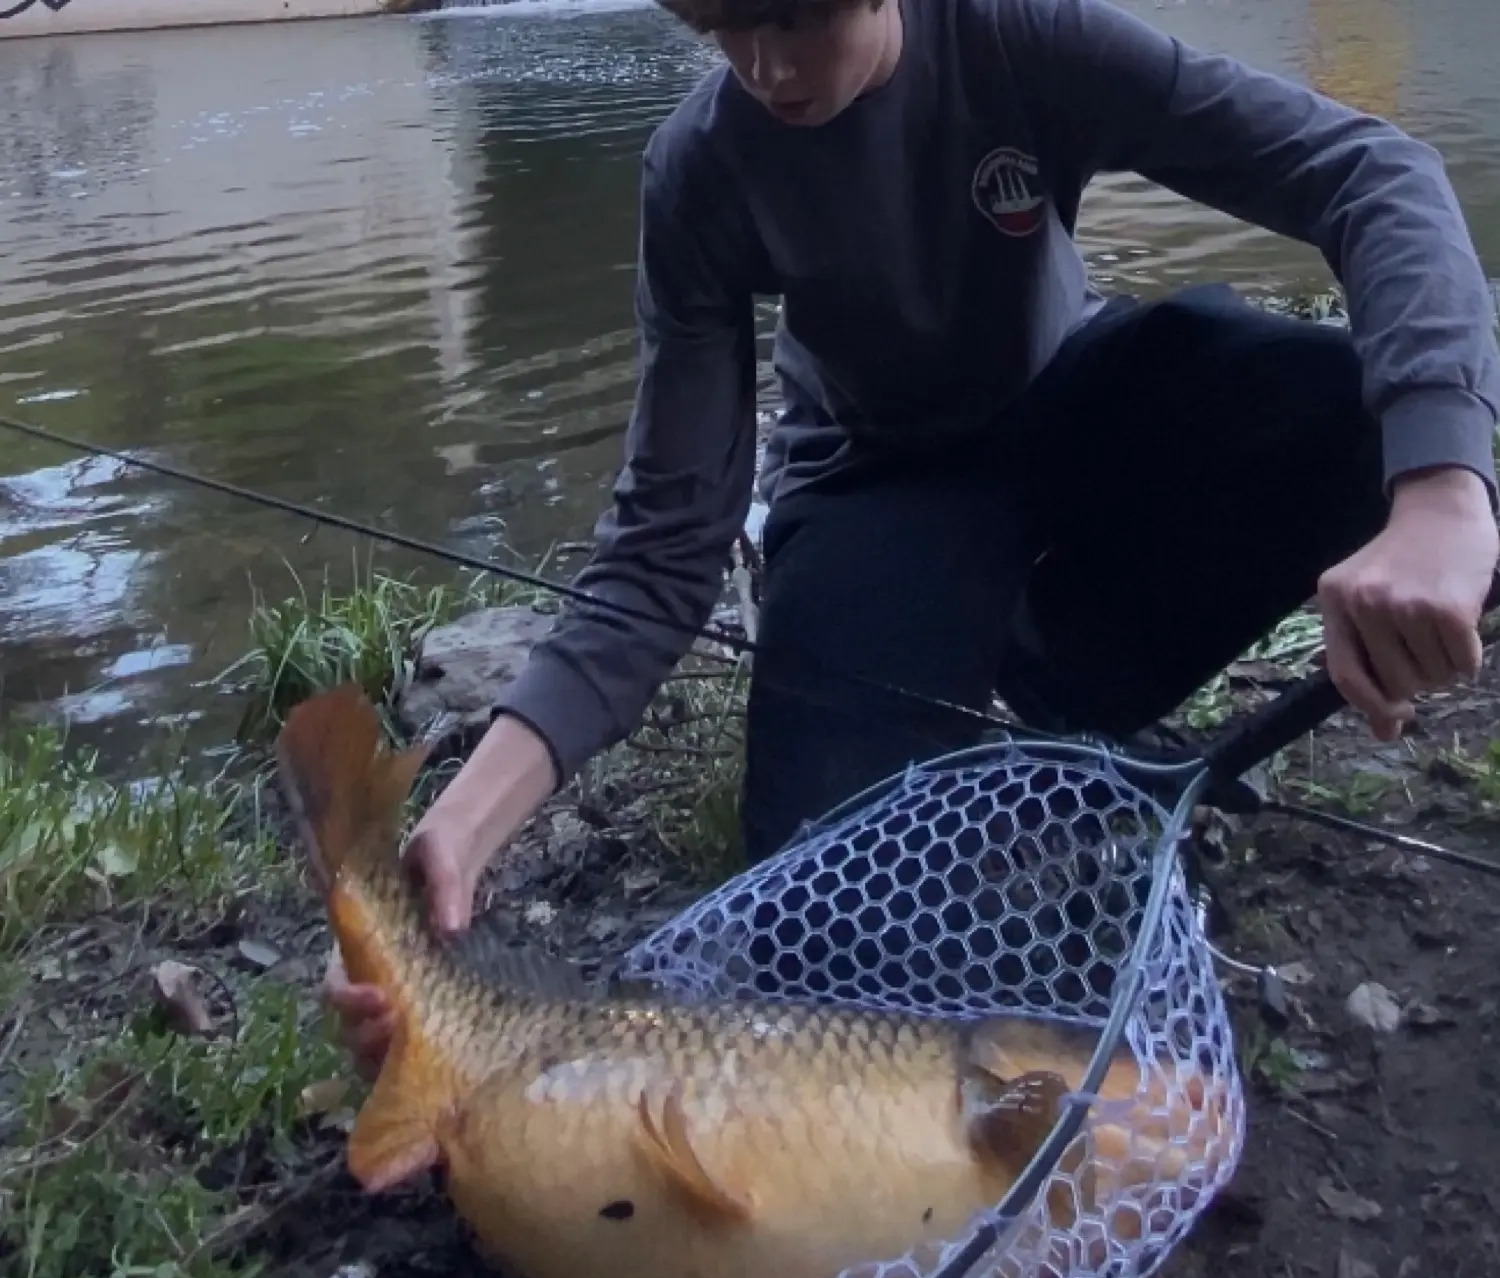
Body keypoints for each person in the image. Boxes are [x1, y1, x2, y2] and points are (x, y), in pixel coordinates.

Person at [326, 0, 1500, 1080]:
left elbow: (1370, 173)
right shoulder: (701, 171)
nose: (768, 67)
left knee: (1386, 410)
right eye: (727, 27)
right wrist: (464, 830)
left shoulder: (1023, 36)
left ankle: (1065, 665)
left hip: (1074, 396)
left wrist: (1443, 492)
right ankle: (998, 656)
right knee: (821, 929)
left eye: (796, 16)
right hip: (875, 485)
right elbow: (660, 552)